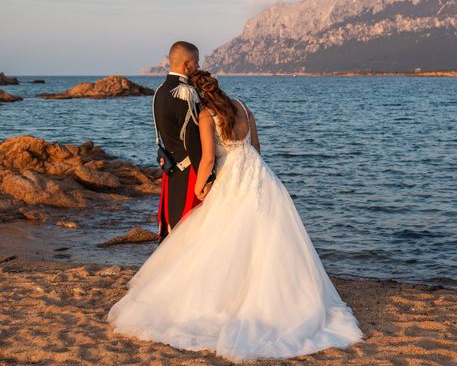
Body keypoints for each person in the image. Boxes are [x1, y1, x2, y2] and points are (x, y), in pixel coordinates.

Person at [108, 70, 364, 362]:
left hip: (232, 176)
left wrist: (202, 185)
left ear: (198, 93)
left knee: (222, 236)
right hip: (260, 175)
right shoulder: (242, 106)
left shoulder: (206, 115)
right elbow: (256, 147)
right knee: (268, 238)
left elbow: (206, 159)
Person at [152, 41, 212, 239]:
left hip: (171, 169)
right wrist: (207, 179)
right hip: (189, 172)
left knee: (173, 222)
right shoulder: (186, 94)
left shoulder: (159, 91)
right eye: (196, 62)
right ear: (186, 65)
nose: (198, 66)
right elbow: (192, 143)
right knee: (190, 229)